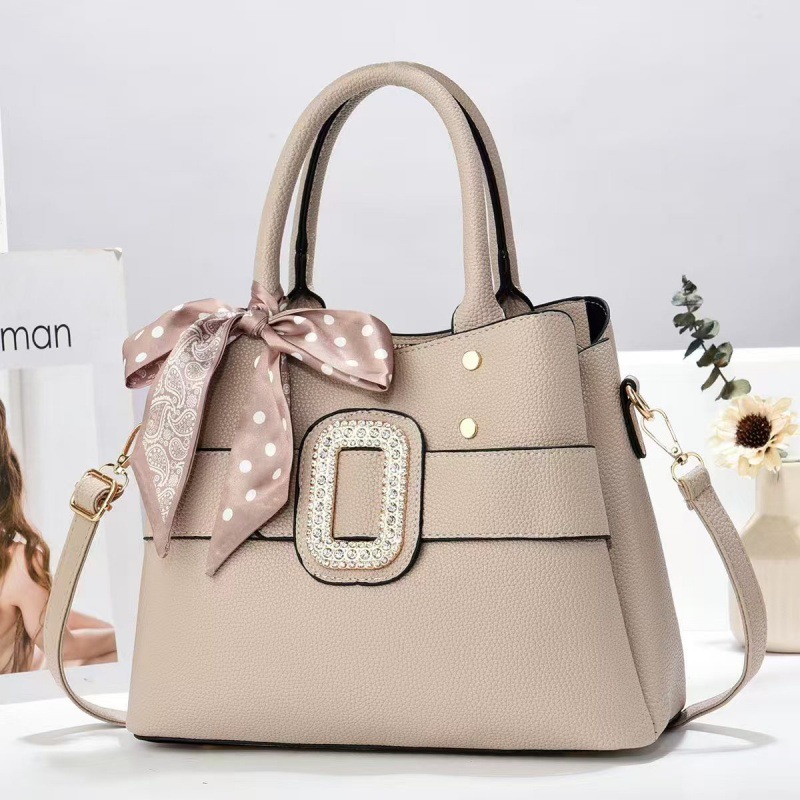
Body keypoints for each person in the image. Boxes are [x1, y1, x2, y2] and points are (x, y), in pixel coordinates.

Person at [0, 398, 116, 673]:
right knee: (100, 656)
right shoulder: (18, 565)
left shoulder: (17, 568)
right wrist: (123, 636)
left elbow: (52, 621)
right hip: (19, 689)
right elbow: (62, 647)